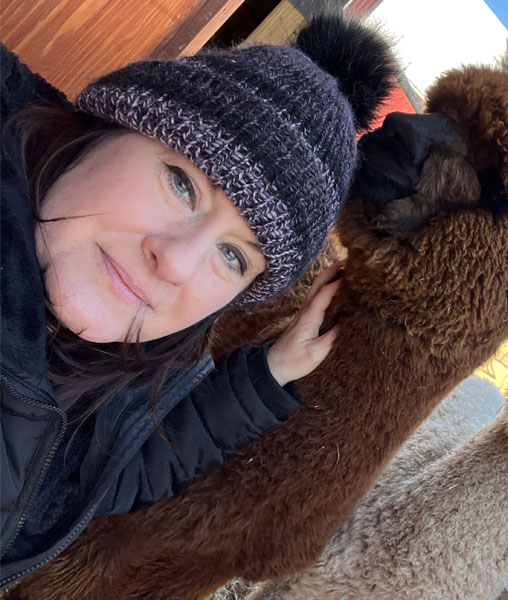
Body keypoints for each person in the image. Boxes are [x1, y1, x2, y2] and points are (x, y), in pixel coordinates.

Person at [0, 14, 395, 586]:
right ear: (110, 123)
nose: (178, 263)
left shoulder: (106, 371)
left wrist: (262, 379)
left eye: (233, 257)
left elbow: (91, 473)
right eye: (182, 183)